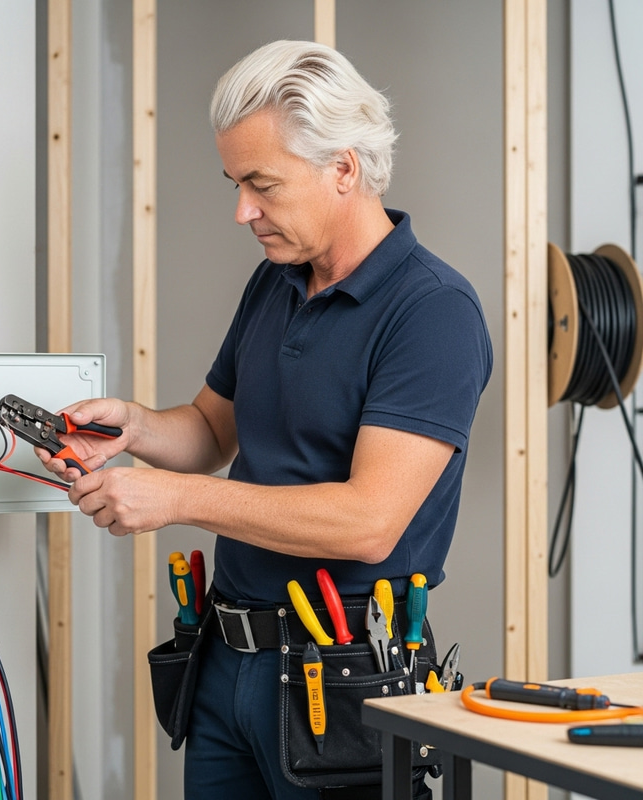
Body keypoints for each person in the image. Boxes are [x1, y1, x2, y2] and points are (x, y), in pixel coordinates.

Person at [37, 40, 492, 800]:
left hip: (342, 680)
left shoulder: (432, 313)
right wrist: (134, 428)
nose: (243, 211)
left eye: (263, 185)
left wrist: (175, 499)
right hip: (226, 664)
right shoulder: (276, 281)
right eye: (236, 184)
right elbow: (211, 431)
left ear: (342, 168)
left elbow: (368, 522)